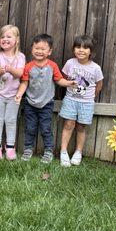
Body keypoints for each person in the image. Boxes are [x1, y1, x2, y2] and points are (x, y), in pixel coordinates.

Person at [15, 33, 76, 163]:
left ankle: (48, 151)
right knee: (30, 127)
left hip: (46, 103)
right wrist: (19, 94)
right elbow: (24, 83)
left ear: (49, 51)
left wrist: (69, 83)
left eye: (43, 49)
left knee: (46, 128)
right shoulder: (28, 67)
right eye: (37, 48)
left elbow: (59, 80)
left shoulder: (52, 66)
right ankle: (28, 149)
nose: (39, 51)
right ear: (32, 49)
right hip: (30, 103)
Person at [59, 35, 103, 167]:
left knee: (81, 126)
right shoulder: (70, 63)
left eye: (85, 48)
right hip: (70, 99)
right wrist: (68, 83)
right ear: (74, 49)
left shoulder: (95, 68)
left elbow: (99, 84)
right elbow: (63, 78)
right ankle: (63, 151)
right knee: (69, 124)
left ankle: (78, 152)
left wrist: (91, 97)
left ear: (91, 51)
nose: (81, 50)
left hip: (87, 102)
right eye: (78, 47)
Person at [0, 25, 26, 161]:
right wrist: (2, 70)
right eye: (2, 37)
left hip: (13, 94)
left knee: (11, 120)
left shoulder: (20, 57)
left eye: (9, 37)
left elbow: (19, 74)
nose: (5, 39)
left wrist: (10, 69)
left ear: (16, 40)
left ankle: (10, 147)